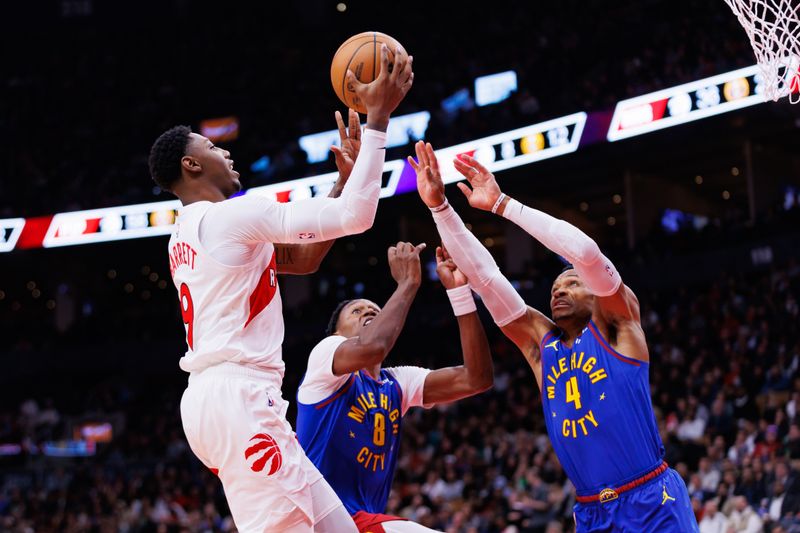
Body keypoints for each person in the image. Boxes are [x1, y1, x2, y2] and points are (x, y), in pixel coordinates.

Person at [147, 45, 413, 532]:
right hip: (240, 398)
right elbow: (358, 217)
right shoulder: (233, 216)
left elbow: (305, 257)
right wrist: (379, 119)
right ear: (190, 165)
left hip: (214, 402)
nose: (224, 152)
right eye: (211, 147)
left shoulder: (185, 233)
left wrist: (342, 183)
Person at [409, 141, 699, 532]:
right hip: (592, 511)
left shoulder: (617, 323)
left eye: (572, 283)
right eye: (554, 287)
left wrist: (502, 205)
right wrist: (440, 208)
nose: (558, 291)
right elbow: (488, 281)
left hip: (650, 498)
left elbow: (586, 253)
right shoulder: (542, 347)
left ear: (595, 293)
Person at [296, 242, 492, 533]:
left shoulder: (396, 382)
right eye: (356, 311)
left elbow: (476, 378)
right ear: (338, 334)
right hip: (320, 520)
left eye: (375, 310)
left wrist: (460, 293)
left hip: (360, 522)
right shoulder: (326, 356)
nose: (368, 312)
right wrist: (409, 282)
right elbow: (373, 346)